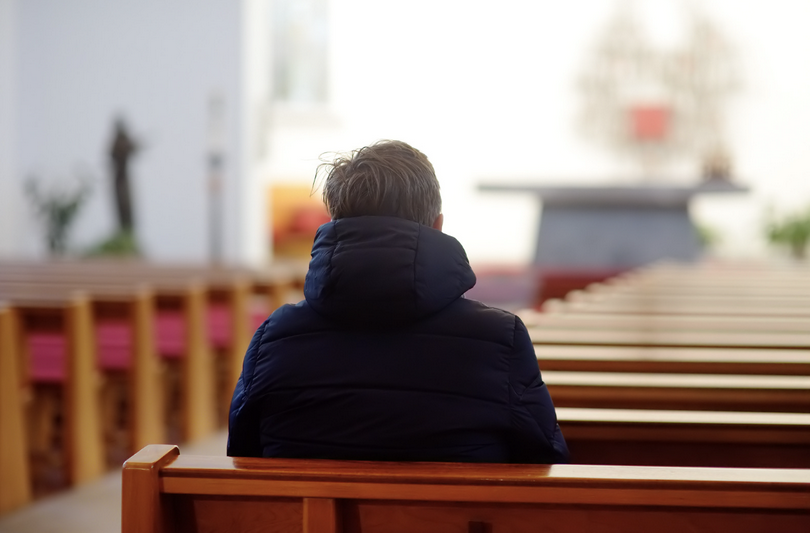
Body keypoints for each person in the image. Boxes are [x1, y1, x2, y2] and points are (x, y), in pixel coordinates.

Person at [227, 140, 569, 464]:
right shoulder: (499, 340)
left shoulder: (276, 338)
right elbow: (544, 462)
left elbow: (242, 459)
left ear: (334, 226)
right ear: (437, 226)